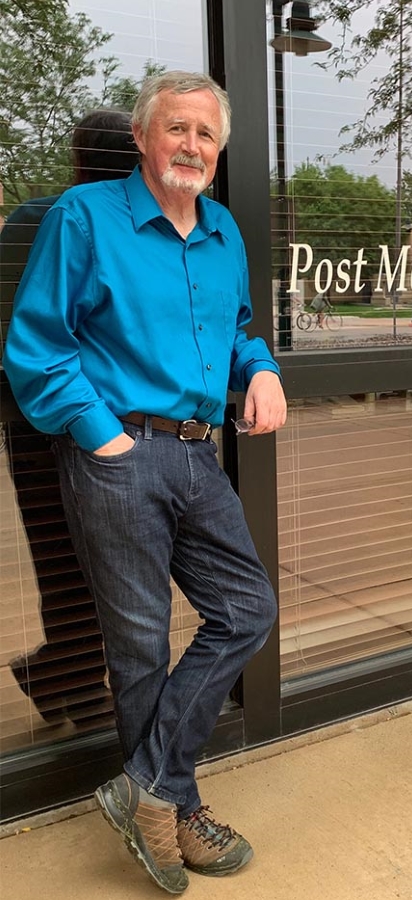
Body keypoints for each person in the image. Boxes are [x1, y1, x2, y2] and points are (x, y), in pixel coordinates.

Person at [4, 71, 287, 895]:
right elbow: (36, 346)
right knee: (138, 646)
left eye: (205, 133)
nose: (191, 146)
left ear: (219, 147)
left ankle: (148, 788)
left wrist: (261, 369)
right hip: (119, 454)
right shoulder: (82, 218)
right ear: (142, 137)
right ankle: (177, 808)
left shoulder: (224, 230)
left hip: (201, 455)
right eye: (176, 129)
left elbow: (235, 329)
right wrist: (105, 439)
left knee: (247, 610)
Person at [1, 109, 139, 728]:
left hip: (54, 421)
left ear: (81, 160)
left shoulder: (39, 219)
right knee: (80, 559)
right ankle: (79, 691)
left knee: (75, 559)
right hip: (55, 419)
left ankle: (59, 674)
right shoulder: (54, 221)